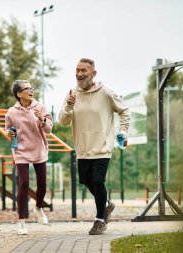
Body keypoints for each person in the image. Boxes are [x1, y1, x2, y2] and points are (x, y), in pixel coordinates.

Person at [58, 58, 130, 235]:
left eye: (84, 71)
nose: (80, 74)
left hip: (102, 147)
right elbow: (62, 121)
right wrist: (69, 106)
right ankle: (105, 204)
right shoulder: (72, 94)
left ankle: (100, 220)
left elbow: (124, 111)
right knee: (87, 181)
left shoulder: (105, 93)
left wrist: (124, 132)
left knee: (98, 180)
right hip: (82, 149)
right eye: (78, 70)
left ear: (93, 73)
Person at [5, 79, 53, 235]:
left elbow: (48, 130)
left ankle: (38, 209)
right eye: (27, 89)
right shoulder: (11, 112)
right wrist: (9, 133)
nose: (31, 91)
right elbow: (8, 130)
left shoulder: (40, 107)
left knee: (43, 185)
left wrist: (42, 119)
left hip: (38, 149)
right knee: (24, 183)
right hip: (20, 150)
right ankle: (21, 222)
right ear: (19, 94)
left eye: (32, 88)